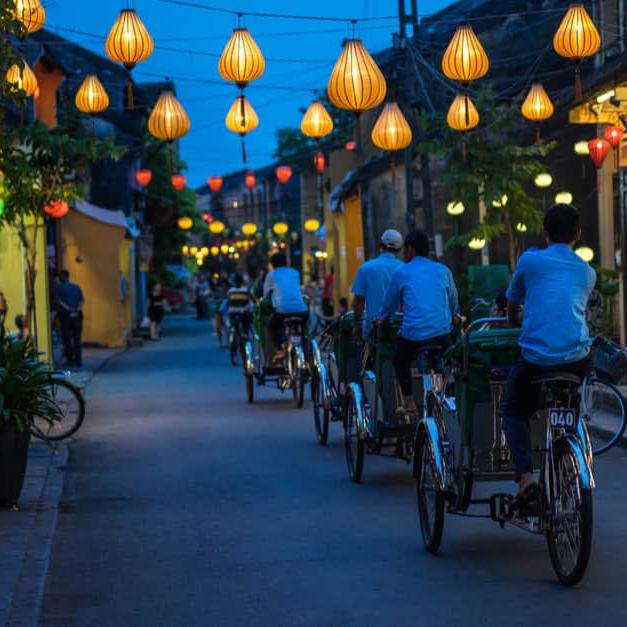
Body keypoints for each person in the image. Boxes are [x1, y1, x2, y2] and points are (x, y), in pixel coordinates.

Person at [502, 203, 596, 502]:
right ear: (577, 234)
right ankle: (570, 434)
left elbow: (513, 303)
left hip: (536, 360)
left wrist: (514, 320)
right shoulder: (587, 272)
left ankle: (526, 477)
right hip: (576, 359)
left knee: (513, 412)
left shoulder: (529, 261)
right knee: (571, 394)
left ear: (545, 233)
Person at [377, 230, 459, 414]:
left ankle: (408, 402)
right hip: (442, 335)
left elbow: (389, 305)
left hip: (413, 337)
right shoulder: (443, 270)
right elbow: (453, 301)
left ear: (410, 250)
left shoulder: (401, 272)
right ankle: (447, 396)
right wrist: (455, 314)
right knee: (448, 359)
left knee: (400, 360)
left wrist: (382, 318)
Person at [351, 229, 403, 341]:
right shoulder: (405, 269)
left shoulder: (366, 268)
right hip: (399, 329)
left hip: (373, 330)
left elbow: (358, 302)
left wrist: (356, 326)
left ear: (381, 246)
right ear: (399, 249)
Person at [263, 252, 308, 358]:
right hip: (302, 310)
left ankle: (279, 350)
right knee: (303, 330)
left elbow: (265, 295)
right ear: (286, 262)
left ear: (272, 264)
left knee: (271, 328)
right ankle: (306, 353)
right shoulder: (295, 273)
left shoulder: (271, 275)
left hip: (282, 311)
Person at [55, 269, 84, 367]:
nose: (58, 278)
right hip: (77, 315)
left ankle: (70, 360)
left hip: (65, 315)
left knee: (67, 338)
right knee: (77, 338)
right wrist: (76, 309)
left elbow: (58, 301)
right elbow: (82, 300)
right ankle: (78, 360)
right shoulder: (76, 287)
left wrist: (69, 309)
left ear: (63, 276)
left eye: (59, 276)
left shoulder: (59, 288)